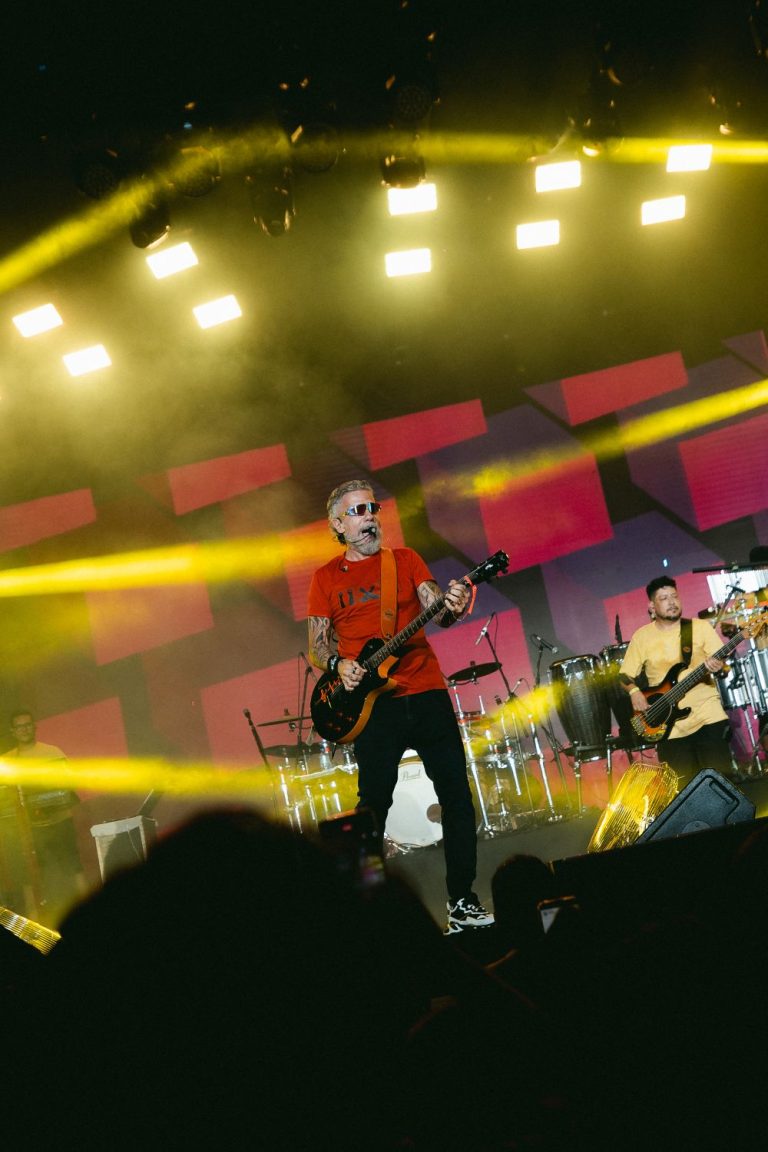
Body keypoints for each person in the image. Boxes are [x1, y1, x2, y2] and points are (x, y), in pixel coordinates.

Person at [307, 479, 493, 934]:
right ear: (337, 524)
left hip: (426, 692)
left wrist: (453, 603)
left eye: (373, 508)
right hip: (373, 708)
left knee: (456, 797)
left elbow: (439, 612)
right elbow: (317, 645)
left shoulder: (405, 561)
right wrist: (338, 665)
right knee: (371, 809)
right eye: (357, 511)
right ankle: (367, 912)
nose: (369, 517)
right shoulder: (326, 577)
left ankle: (462, 901)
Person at [619, 576, 732, 786]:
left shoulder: (699, 627)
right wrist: (634, 692)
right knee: (684, 791)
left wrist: (719, 667)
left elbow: (723, 665)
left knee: (722, 784)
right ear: (652, 606)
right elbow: (624, 676)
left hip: (708, 715)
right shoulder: (642, 637)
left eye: (674, 596)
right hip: (669, 726)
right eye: (664, 598)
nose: (672, 602)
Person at [1, 710, 85, 925]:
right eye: (19, 726)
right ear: (13, 731)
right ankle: (34, 918)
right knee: (26, 872)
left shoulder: (52, 752)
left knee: (71, 865)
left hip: (59, 821)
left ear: (34, 727)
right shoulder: (7, 760)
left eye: (28, 725)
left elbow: (68, 783)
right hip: (27, 827)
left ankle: (84, 908)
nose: (24, 729)